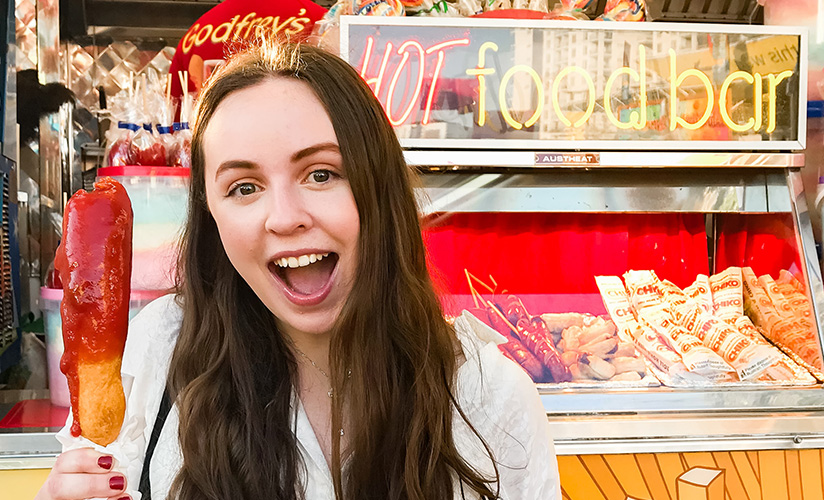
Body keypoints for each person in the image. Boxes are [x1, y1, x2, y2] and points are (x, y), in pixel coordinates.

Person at [36, 41, 559, 500]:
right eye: (244, 187)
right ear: (211, 217)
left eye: (321, 173)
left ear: (378, 188)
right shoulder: (157, 357)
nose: (284, 218)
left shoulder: (489, 400)